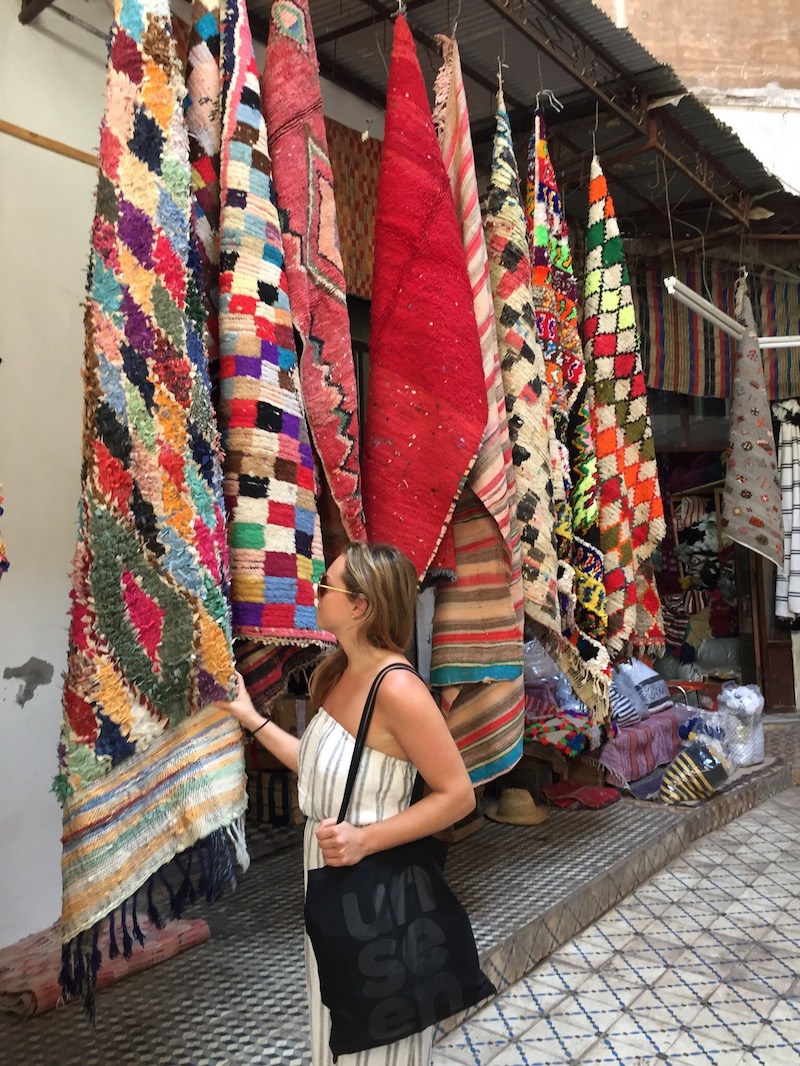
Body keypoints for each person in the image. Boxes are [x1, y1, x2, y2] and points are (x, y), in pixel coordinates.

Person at [217, 541, 476, 1066]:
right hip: (331, 879)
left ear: (360, 606)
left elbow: (458, 795)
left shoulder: (398, 689)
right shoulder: (336, 673)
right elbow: (318, 768)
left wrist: (364, 840)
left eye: (327, 586)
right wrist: (251, 717)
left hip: (376, 887)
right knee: (336, 1023)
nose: (316, 592)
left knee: (379, 1035)